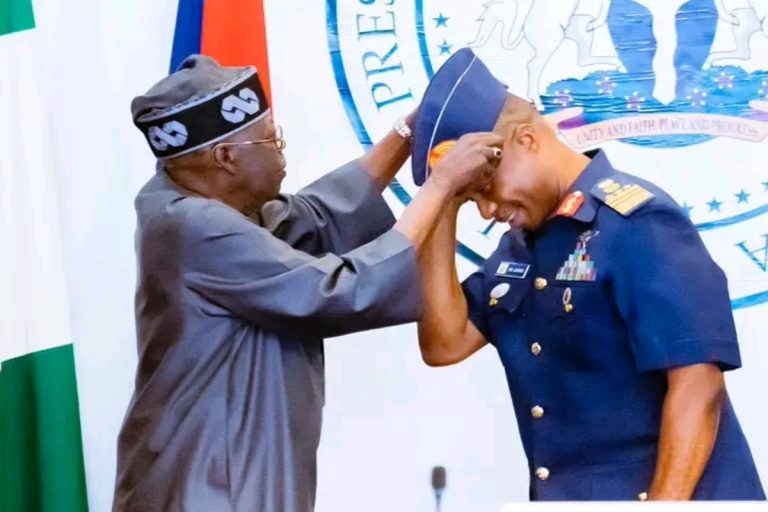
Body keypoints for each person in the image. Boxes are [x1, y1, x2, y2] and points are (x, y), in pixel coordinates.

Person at [114, 54, 502, 512]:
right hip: (210, 488)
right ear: (225, 157)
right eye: (270, 138)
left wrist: (409, 131)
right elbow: (338, 290)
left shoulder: (203, 206)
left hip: (225, 478)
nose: (281, 150)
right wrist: (440, 187)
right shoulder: (193, 227)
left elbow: (315, 217)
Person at [413, 48, 765, 501]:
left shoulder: (638, 222)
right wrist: (442, 197)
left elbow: (697, 383)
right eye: (471, 198)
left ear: (526, 140)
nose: (486, 210)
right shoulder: (521, 248)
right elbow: (445, 343)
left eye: (485, 189)